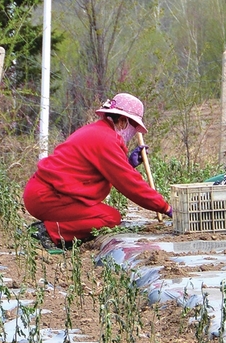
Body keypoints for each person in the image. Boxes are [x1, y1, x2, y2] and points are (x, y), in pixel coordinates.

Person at [23, 93, 171, 249]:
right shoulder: (106, 140)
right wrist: (165, 207)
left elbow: (96, 173)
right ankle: (51, 231)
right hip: (48, 197)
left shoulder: (98, 132)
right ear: (122, 121)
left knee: (107, 215)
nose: (133, 133)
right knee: (109, 218)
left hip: (48, 194)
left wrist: (127, 164)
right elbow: (131, 184)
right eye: (133, 127)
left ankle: (55, 228)